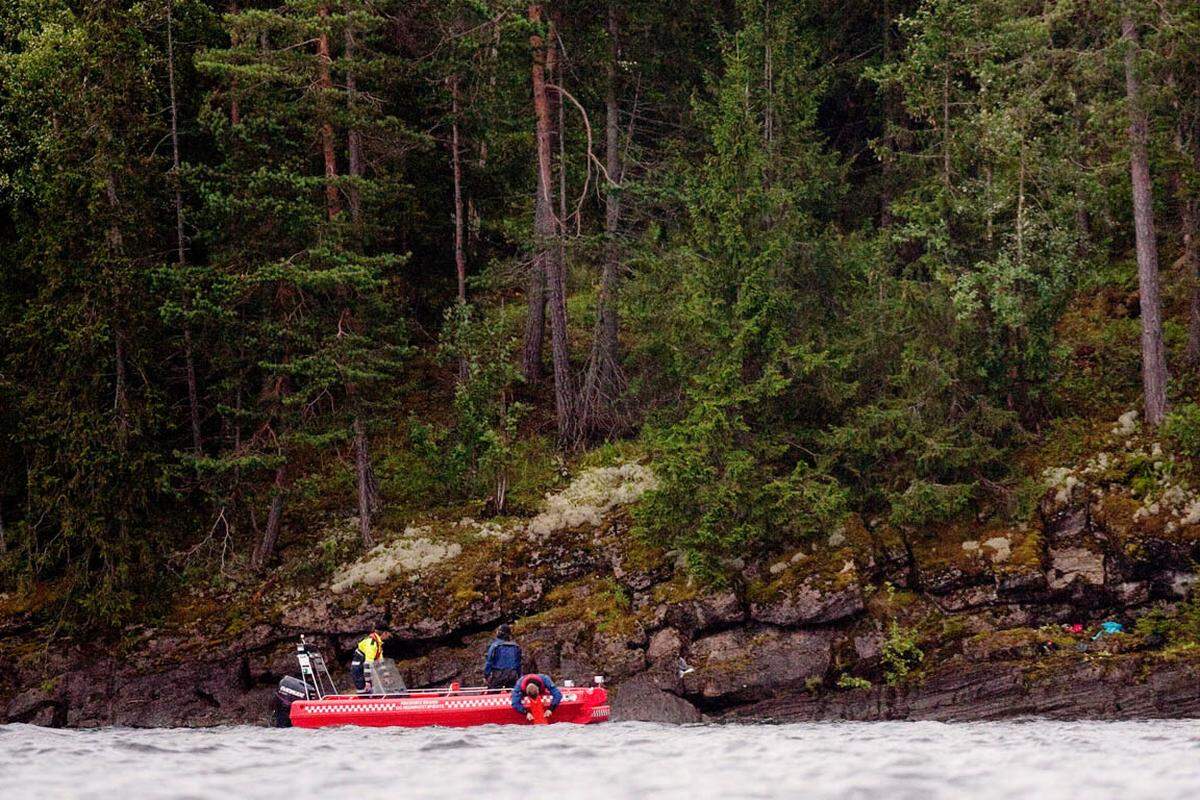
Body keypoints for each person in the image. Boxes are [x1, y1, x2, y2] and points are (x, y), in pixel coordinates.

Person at [351, 628, 390, 694]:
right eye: (389, 633)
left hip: (366, 669)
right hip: (359, 669)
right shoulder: (372, 644)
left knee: (373, 691)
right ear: (384, 633)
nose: (389, 636)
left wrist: (386, 676)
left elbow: (380, 662)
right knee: (364, 692)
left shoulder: (378, 644)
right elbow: (367, 664)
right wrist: (367, 682)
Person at [483, 624, 522, 689]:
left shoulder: (495, 646)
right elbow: (519, 664)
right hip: (513, 674)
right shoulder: (516, 646)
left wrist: (486, 675)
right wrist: (519, 676)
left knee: (493, 696)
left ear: (500, 633)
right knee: (513, 694)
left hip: (498, 674)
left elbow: (489, 662)